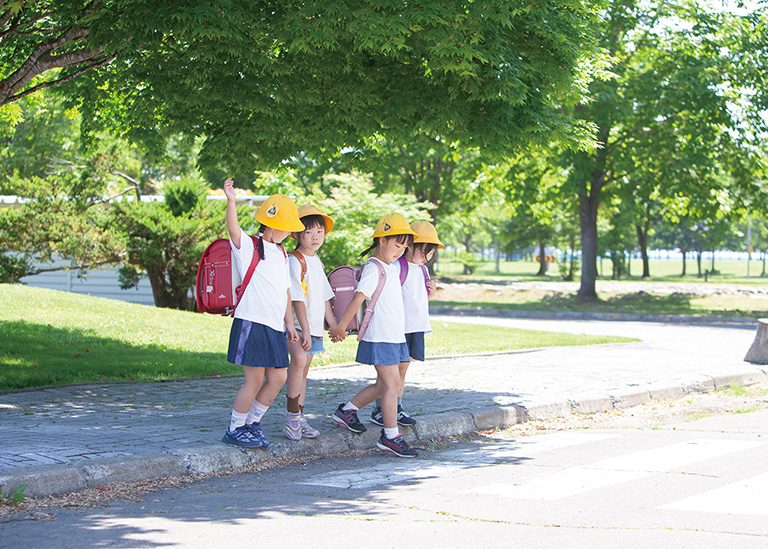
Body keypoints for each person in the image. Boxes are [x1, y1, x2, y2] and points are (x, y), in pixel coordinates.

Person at [221, 178, 305, 448]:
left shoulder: (281, 254)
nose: (287, 233)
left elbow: (285, 292)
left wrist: (289, 324)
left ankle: (251, 423)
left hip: (274, 327)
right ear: (269, 223)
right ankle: (235, 429)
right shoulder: (251, 246)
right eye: (284, 227)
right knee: (255, 378)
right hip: (251, 322)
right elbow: (233, 231)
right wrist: (231, 201)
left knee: (279, 377)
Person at [329, 213, 419, 458]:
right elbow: (359, 298)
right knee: (391, 384)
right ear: (382, 240)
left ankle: (348, 410)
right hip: (380, 336)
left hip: (394, 335)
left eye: (404, 246)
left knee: (385, 384)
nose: (400, 250)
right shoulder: (374, 268)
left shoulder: (390, 268)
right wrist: (340, 327)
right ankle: (391, 436)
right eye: (396, 244)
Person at [370, 220, 442, 427]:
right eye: (423, 251)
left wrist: (432, 293)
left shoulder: (423, 270)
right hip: (398, 328)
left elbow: (418, 301)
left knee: (403, 369)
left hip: (415, 328)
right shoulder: (397, 266)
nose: (426, 257)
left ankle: (396, 407)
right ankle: (381, 409)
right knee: (392, 371)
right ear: (411, 245)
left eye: (430, 253)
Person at [284, 204, 340, 440]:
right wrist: (305, 330)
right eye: (309, 232)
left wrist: (334, 325)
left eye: (320, 231)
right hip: (298, 327)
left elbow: (326, 298)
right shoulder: (294, 260)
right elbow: (296, 298)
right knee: (298, 362)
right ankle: (292, 418)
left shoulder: (316, 260)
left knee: (304, 371)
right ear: (296, 234)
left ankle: (300, 417)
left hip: (314, 329)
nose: (316, 236)